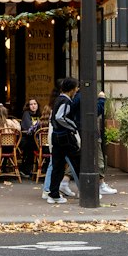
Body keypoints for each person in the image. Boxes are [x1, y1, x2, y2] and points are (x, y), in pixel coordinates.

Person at [69, 86, 117, 198]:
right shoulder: (85, 97)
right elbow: (95, 111)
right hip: (89, 133)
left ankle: (65, 182)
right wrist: (101, 99)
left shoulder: (75, 98)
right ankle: (99, 185)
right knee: (97, 158)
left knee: (78, 160)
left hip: (80, 132)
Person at [46, 77, 80, 205]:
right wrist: (73, 126)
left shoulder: (58, 99)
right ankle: (86, 190)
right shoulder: (65, 101)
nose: (77, 90)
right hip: (65, 138)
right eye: (76, 87)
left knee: (58, 166)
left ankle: (53, 194)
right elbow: (60, 117)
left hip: (56, 137)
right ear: (71, 89)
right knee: (78, 162)